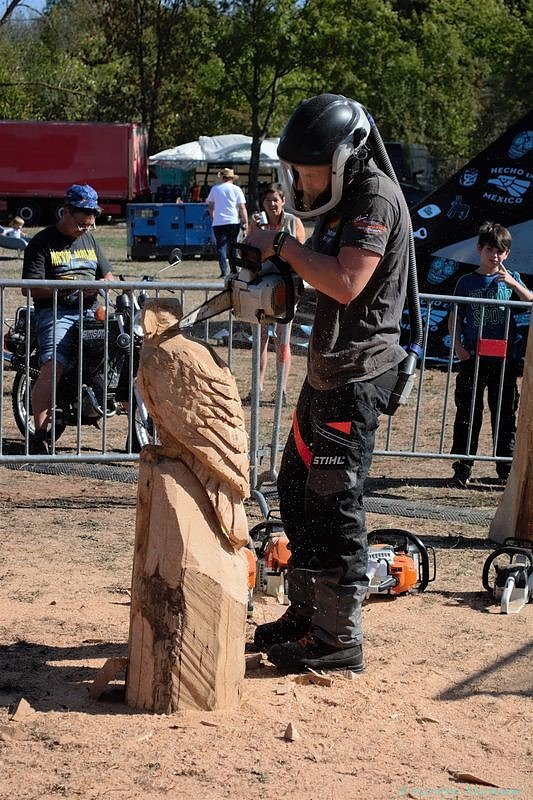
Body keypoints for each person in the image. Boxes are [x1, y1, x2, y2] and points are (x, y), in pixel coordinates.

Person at [245, 94, 411, 673]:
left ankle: (339, 639)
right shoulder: (341, 203)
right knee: (295, 486)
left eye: (308, 170)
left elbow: (345, 281)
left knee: (336, 501)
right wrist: (280, 266)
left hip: (358, 374)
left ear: (342, 158)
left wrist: (284, 247)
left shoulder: (375, 199)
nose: (300, 180)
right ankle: (307, 614)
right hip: (327, 372)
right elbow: (314, 270)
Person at [21, 184, 114, 453]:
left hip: (91, 310)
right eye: (82, 223)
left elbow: (107, 276)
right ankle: (39, 433)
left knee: (123, 353)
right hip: (56, 312)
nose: (87, 227)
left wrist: (108, 286)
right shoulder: (41, 242)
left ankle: (136, 430)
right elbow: (28, 287)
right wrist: (69, 289)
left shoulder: (91, 240)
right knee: (53, 365)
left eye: (91, 222)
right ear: (66, 212)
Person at [448, 222, 533, 488]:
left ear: (506, 254)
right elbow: (455, 316)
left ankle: (505, 467)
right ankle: (462, 466)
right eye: (489, 250)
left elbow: (530, 299)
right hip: (473, 357)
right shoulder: (466, 281)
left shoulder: (512, 279)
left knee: (505, 413)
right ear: (479, 249)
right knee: (468, 413)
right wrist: (459, 348)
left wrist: (511, 282)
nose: (494, 256)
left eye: (500, 251)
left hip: (505, 359)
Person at [244, 184, 306, 406]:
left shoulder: (292, 222)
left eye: (275, 200)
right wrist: (253, 229)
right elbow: (248, 250)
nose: (272, 204)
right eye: (268, 200)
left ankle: (281, 391)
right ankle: (257, 389)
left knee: (283, 341)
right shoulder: (258, 224)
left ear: (283, 201)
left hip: (285, 288)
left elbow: (300, 252)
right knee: (260, 340)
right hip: (261, 286)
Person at [206, 168, 248, 277]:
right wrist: (245, 221)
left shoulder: (215, 189)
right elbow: (242, 207)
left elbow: (210, 206)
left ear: (223, 178)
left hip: (219, 222)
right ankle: (234, 270)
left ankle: (223, 271)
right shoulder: (237, 189)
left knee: (221, 247)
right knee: (233, 246)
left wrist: (213, 217)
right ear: (232, 178)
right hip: (233, 221)